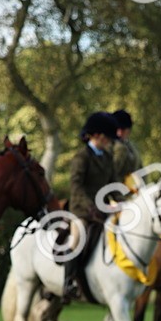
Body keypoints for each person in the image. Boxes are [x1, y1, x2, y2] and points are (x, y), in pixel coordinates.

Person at [63, 111, 120, 300]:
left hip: (102, 209)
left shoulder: (107, 157)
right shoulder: (82, 156)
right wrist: (90, 207)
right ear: (97, 135)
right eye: (108, 138)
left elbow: (113, 185)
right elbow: (76, 186)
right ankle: (69, 281)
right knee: (78, 238)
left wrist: (125, 203)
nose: (110, 142)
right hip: (82, 209)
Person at [111, 109, 141, 194]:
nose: (120, 133)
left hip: (134, 192)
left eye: (123, 130)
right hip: (116, 195)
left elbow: (139, 168)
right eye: (118, 129)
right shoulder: (112, 147)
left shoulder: (132, 147)